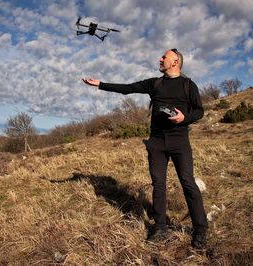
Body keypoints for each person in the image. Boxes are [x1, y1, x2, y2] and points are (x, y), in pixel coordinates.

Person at [82, 48, 208, 249]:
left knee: (188, 182)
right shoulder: (155, 83)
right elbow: (128, 88)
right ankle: (160, 227)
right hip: (156, 142)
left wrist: (184, 118)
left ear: (175, 62)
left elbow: (199, 111)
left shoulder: (188, 85)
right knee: (158, 184)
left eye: (164, 57)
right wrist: (100, 84)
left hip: (179, 142)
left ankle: (200, 228)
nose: (160, 59)